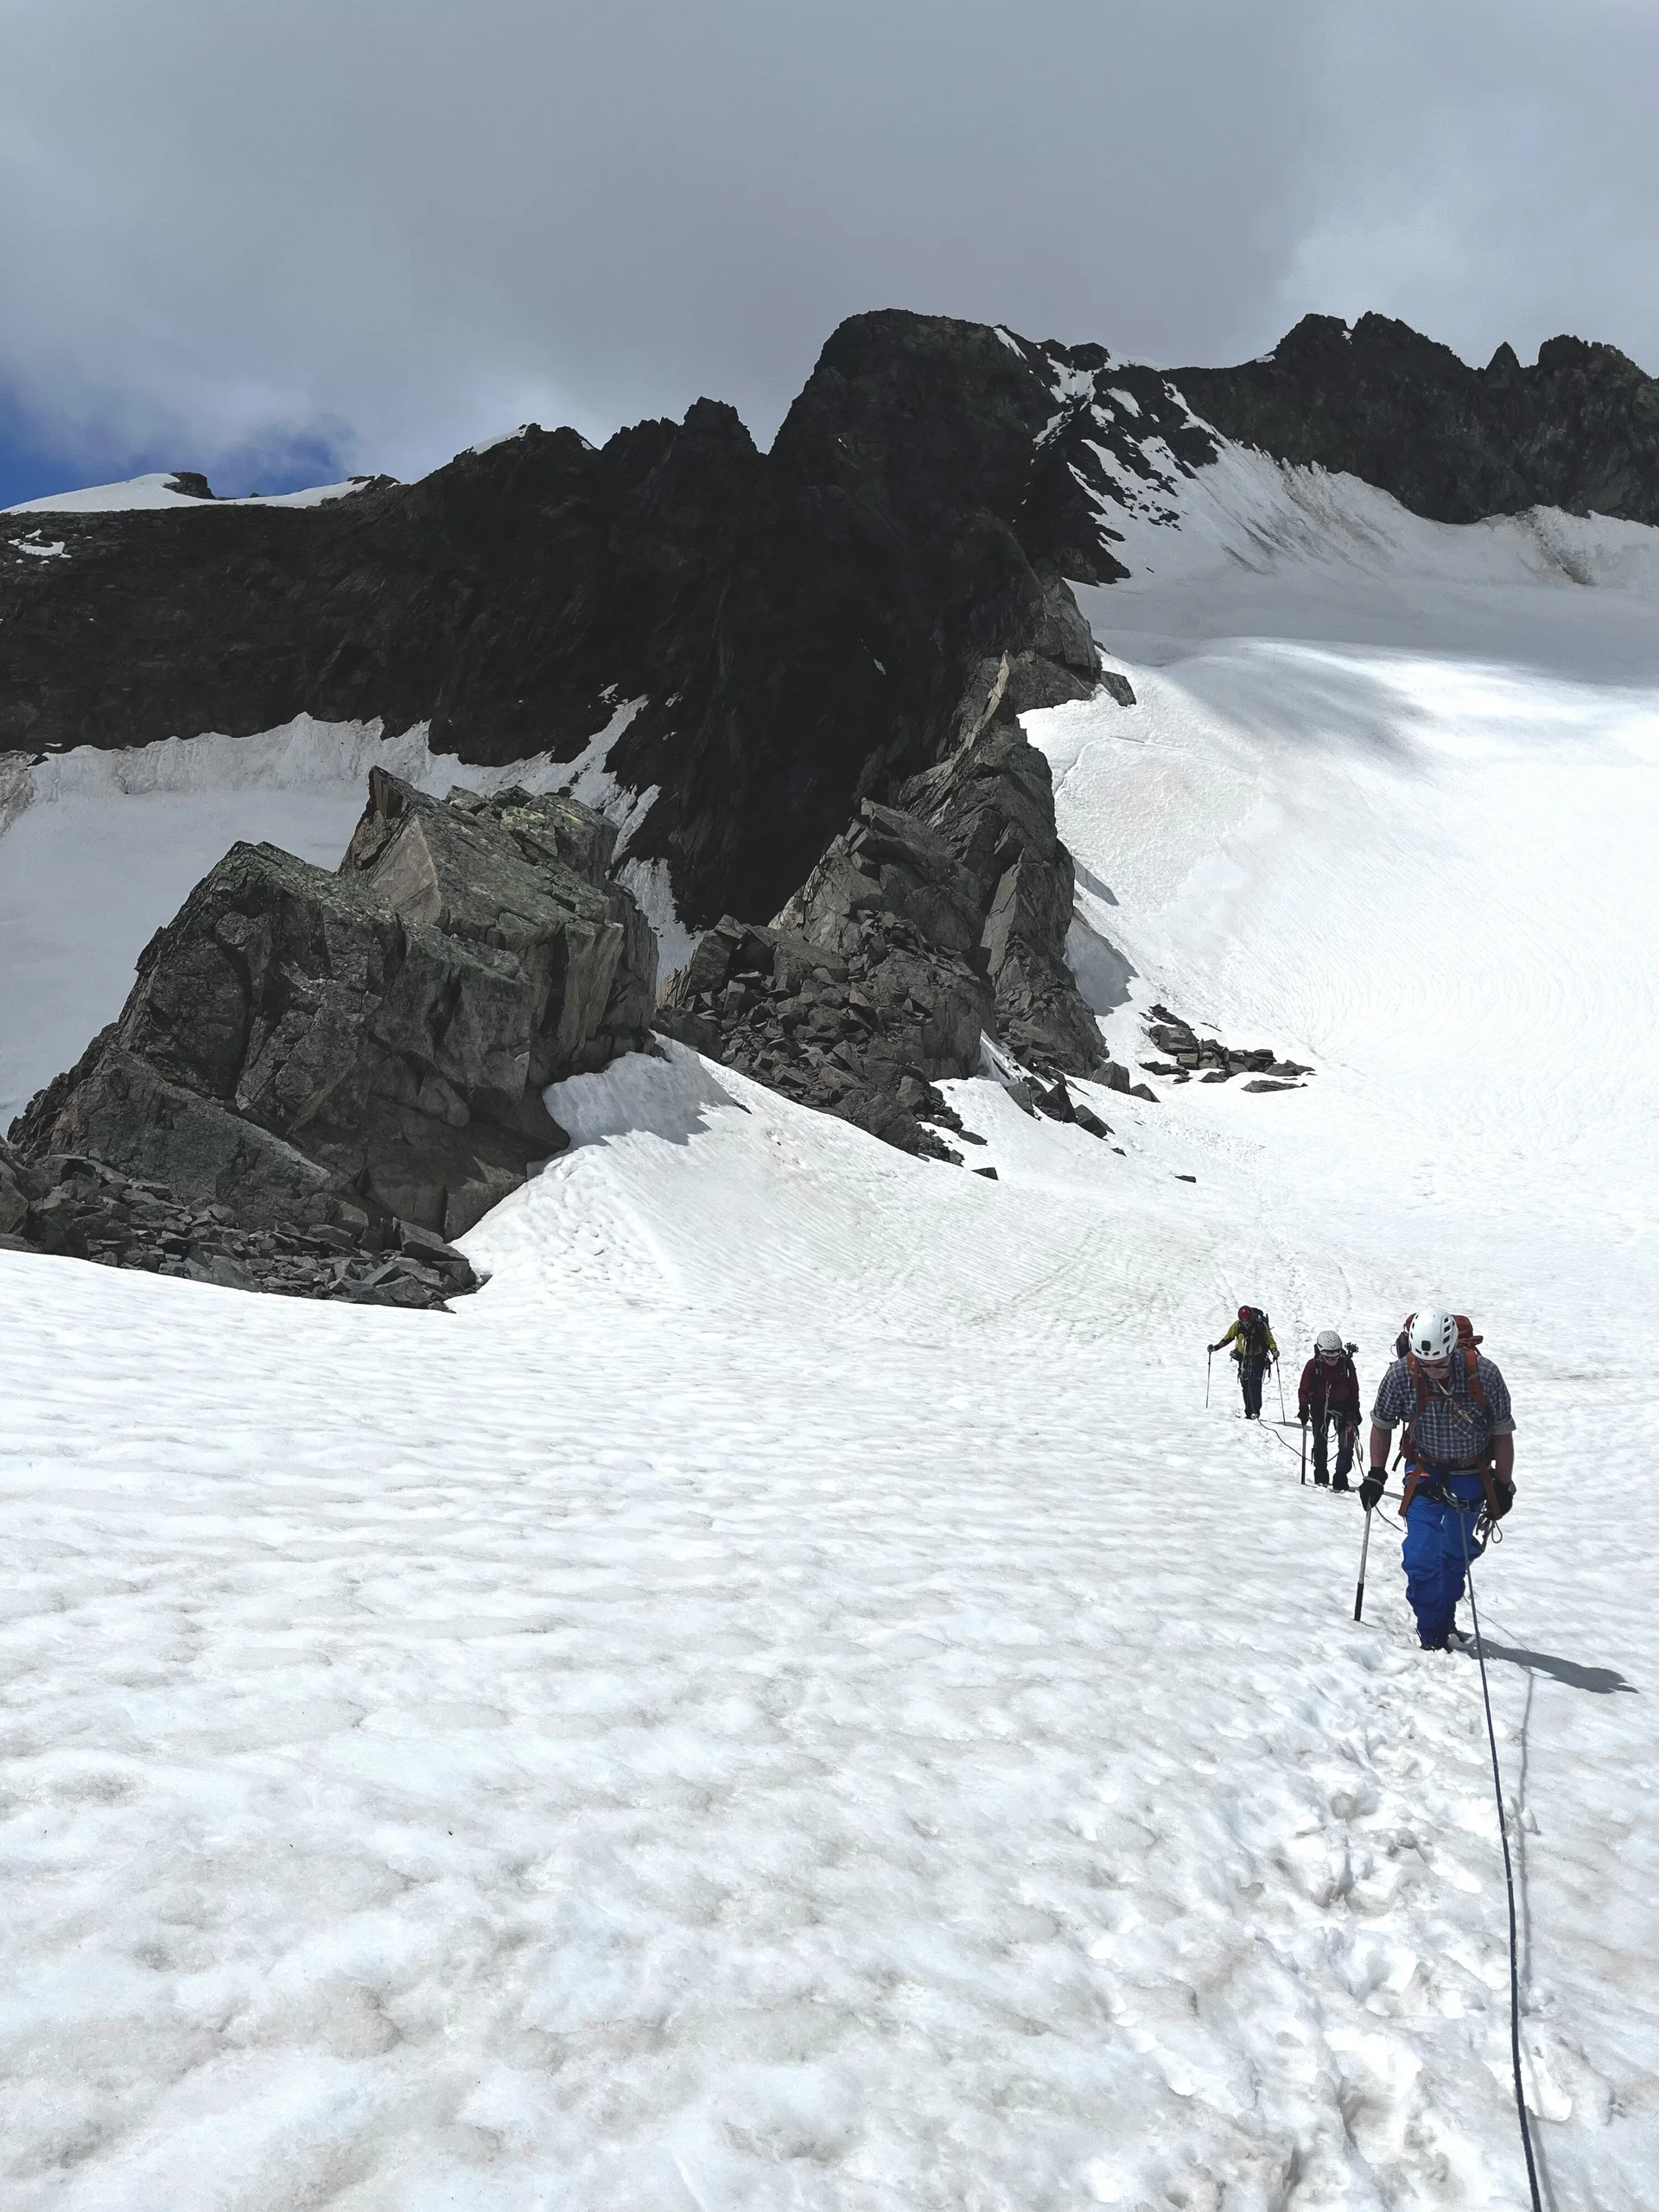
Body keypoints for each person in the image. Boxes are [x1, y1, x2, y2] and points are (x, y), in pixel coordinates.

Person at [1359, 1306, 1516, 1651]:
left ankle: (1442, 1616)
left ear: (1454, 1349)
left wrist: (1504, 1485)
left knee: (1455, 1555)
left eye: (1440, 1364)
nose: (1432, 1372)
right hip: (1424, 1469)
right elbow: (1382, 1424)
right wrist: (1375, 1473)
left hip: (1471, 1470)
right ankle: (1431, 1628)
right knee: (1420, 1552)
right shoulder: (1401, 1375)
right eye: (1424, 1364)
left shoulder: (1484, 1374)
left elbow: (1502, 1433)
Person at [1298, 1329, 1360, 1488]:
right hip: (1319, 1406)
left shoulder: (1346, 1364)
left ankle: (1340, 1476)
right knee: (1320, 1442)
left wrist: (1355, 1407)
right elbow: (1304, 1388)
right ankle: (1321, 1474)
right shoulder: (1313, 1366)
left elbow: (1354, 1386)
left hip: (1344, 1406)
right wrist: (1304, 1407)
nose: (1332, 1360)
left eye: (1335, 1356)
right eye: (1327, 1357)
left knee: (1346, 1443)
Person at [1208, 1306, 1278, 1420]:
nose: (1245, 1324)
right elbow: (1228, 1338)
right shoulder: (1237, 1325)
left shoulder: (1261, 1325)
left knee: (1255, 1385)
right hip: (1244, 1359)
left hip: (1258, 1359)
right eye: (1243, 1322)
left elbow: (1269, 1340)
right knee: (1245, 1384)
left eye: (1247, 1322)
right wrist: (1215, 1348)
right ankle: (1249, 1411)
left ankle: (1255, 1411)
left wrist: (1274, 1350)